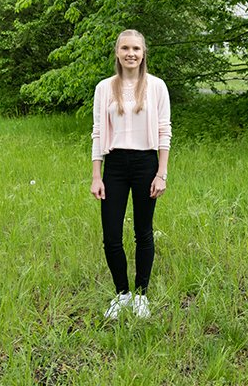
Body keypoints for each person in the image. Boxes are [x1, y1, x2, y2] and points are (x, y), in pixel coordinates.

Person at [90, 29, 171, 319]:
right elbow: (98, 132)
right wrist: (96, 175)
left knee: (142, 232)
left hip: (145, 163)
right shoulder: (104, 88)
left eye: (136, 48)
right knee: (111, 235)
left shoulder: (157, 87)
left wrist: (161, 173)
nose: (130, 53)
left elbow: (164, 131)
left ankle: (140, 295)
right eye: (125, 48)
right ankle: (122, 293)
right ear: (117, 52)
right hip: (114, 166)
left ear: (143, 52)